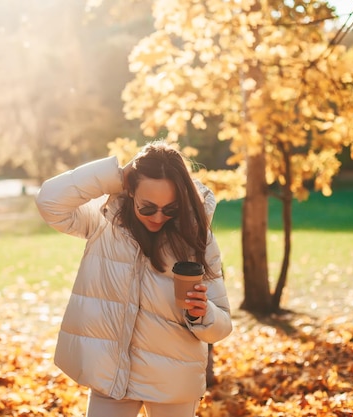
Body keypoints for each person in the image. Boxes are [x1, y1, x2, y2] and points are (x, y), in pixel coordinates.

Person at [35, 141, 233, 417]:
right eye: (148, 208)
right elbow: (49, 201)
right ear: (130, 192)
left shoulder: (198, 238)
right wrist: (116, 174)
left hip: (173, 383)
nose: (159, 217)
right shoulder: (102, 221)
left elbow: (222, 325)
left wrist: (204, 314)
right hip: (112, 378)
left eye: (171, 209)